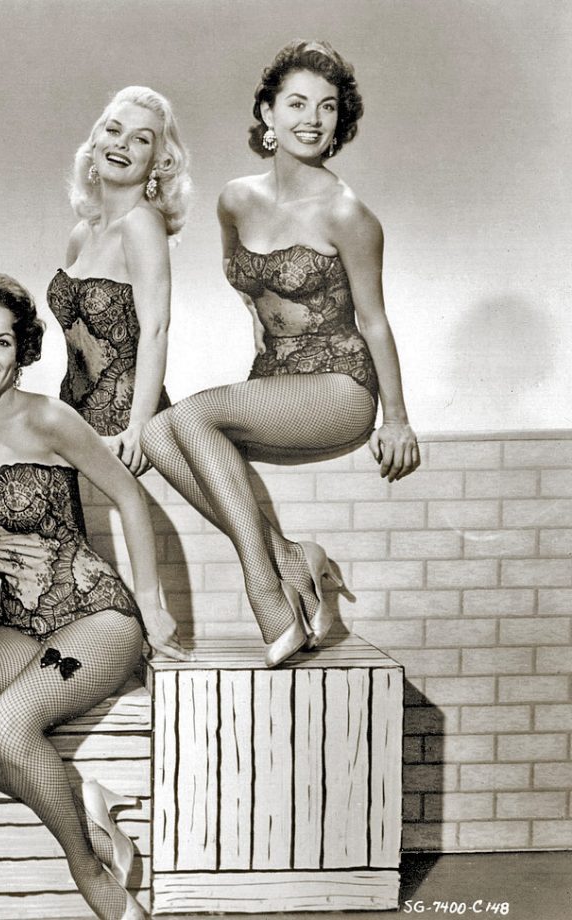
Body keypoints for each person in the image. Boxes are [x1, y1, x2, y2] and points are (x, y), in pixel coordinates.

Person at [141, 41, 420, 668]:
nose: (311, 119)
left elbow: (374, 321)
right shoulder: (234, 200)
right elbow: (248, 287)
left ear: (340, 121)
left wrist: (396, 418)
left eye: (327, 107)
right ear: (268, 112)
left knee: (191, 414)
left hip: (341, 387)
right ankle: (293, 556)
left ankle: (266, 593)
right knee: (159, 433)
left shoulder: (349, 214)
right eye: (296, 103)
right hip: (276, 382)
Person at [0, 274, 187, 920]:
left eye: (2, 341)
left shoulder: (48, 418)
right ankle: (83, 812)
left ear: (22, 351)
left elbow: (129, 495)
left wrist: (151, 602)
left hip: (96, 616)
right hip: (21, 625)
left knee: (9, 724)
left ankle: (90, 872)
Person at [49, 86, 190, 475]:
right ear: (96, 140)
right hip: (75, 423)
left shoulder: (142, 223)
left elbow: (156, 329)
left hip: (124, 429)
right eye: (114, 130)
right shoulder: (81, 234)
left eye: (140, 139)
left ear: (158, 161)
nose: (122, 144)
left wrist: (140, 427)